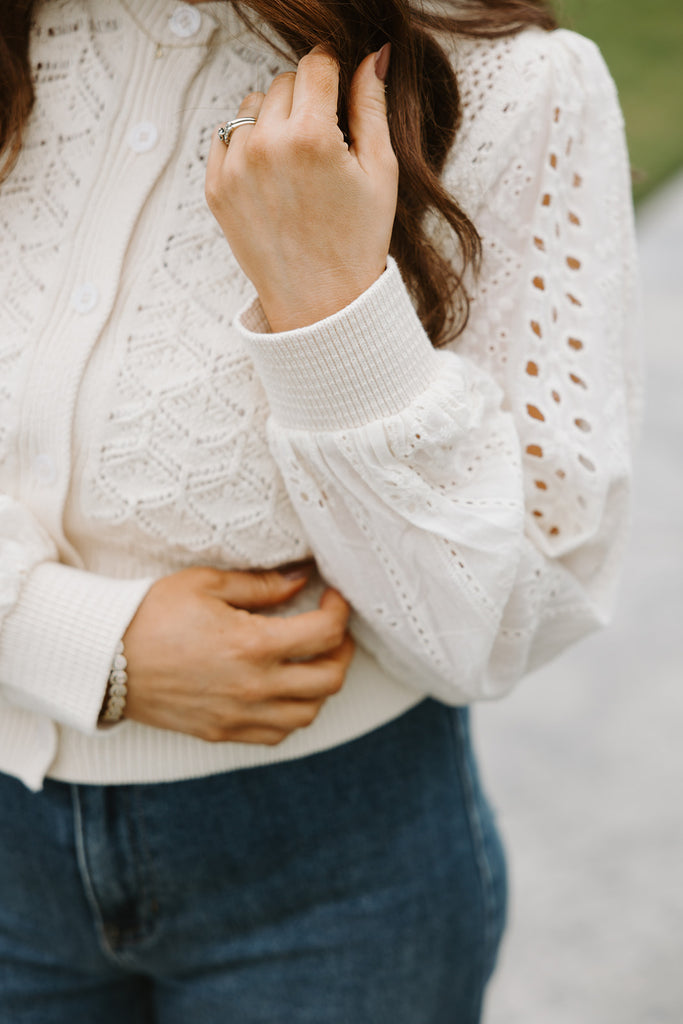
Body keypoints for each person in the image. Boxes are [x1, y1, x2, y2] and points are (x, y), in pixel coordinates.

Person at [0, 0, 639, 1020]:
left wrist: (332, 308)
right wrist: (73, 643)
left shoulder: (511, 84)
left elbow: (495, 629)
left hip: (330, 878)